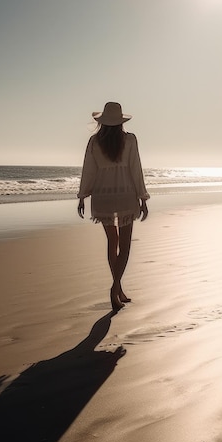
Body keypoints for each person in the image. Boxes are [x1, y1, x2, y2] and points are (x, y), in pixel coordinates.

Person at [78, 102, 150, 311]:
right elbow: (136, 168)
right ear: (120, 122)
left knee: (112, 242)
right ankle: (115, 287)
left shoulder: (94, 142)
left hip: (103, 196)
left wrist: (83, 196)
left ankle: (118, 288)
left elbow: (88, 170)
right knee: (125, 244)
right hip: (126, 195)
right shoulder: (130, 139)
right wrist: (142, 197)